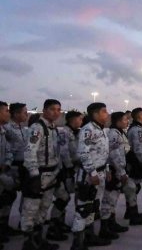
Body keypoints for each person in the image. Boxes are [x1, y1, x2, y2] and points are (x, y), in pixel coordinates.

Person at [21, 99, 63, 250]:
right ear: (44, 110)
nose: (56, 112)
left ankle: (38, 239)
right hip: (39, 175)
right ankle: (28, 242)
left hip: (51, 175)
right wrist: (34, 175)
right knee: (31, 209)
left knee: (44, 208)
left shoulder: (53, 128)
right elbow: (29, 152)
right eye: (52, 109)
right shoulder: (37, 128)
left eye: (58, 109)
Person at [70, 103, 113, 250]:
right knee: (84, 209)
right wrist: (92, 172)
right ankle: (77, 243)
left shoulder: (101, 130)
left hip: (99, 173)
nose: (107, 114)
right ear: (95, 114)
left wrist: (106, 169)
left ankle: (89, 236)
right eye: (104, 111)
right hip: (89, 176)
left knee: (94, 207)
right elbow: (83, 153)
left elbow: (103, 153)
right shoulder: (88, 130)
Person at [47, 110, 83, 241]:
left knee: (65, 196)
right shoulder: (64, 132)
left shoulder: (73, 132)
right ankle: (53, 226)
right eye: (79, 119)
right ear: (73, 120)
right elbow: (64, 152)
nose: (81, 121)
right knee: (63, 197)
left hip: (67, 169)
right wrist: (69, 168)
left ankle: (59, 223)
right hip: (62, 170)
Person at [99, 112, 133, 239]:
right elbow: (115, 155)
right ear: (118, 121)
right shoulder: (114, 134)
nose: (127, 121)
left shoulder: (119, 132)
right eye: (125, 119)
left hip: (118, 170)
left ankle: (111, 223)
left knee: (114, 198)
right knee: (109, 199)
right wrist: (121, 172)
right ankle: (104, 227)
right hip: (114, 171)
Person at [3, 102, 28, 238]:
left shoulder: (23, 129)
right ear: (16, 114)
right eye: (24, 112)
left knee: (24, 197)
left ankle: (22, 223)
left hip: (22, 166)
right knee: (8, 197)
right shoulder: (6, 128)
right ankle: (3, 226)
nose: (26, 114)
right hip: (11, 167)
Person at [125, 108, 142, 224]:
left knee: (134, 187)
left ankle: (130, 211)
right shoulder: (137, 130)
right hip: (135, 162)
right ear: (138, 117)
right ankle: (133, 214)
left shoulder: (137, 128)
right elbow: (138, 148)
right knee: (133, 187)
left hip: (134, 160)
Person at [0, 101, 16, 247]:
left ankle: (3, 228)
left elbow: (9, 150)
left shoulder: (3, 131)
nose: (8, 114)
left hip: (4, 171)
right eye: (5, 111)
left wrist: (7, 163)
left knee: (7, 198)